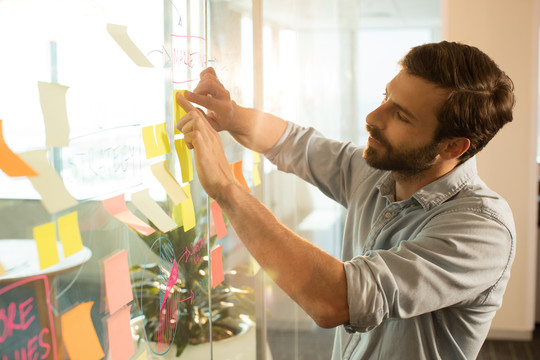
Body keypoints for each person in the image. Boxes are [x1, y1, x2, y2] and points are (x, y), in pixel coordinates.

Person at [175, 41, 516, 359]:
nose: (372, 117)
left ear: (452, 147)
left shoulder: (483, 230)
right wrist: (232, 115)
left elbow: (335, 300)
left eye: (401, 115)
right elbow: (297, 144)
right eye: (386, 96)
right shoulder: (379, 171)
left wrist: (226, 187)